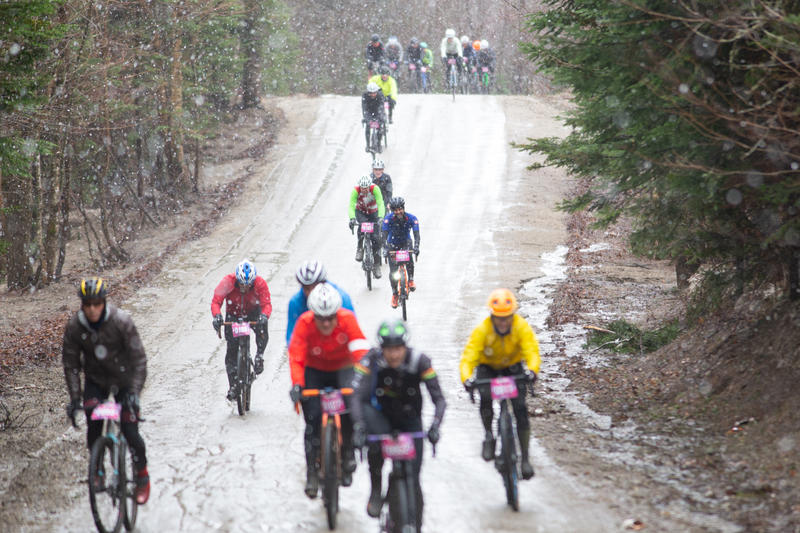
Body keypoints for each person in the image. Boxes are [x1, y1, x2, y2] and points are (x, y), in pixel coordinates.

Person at [63, 277, 151, 504]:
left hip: (124, 379)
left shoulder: (121, 321)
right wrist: (74, 398)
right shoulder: (75, 327)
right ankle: (98, 470)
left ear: (104, 302)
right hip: (96, 381)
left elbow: (139, 360)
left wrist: (134, 392)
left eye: (97, 303)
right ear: (82, 305)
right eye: (87, 304)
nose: (92, 309)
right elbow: (71, 365)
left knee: (131, 432)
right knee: (93, 427)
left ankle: (142, 477)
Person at [351, 319, 446, 523]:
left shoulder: (420, 361)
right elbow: (356, 396)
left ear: (405, 346)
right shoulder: (370, 361)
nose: (394, 354)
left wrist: (435, 425)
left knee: (414, 477)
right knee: (374, 447)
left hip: (410, 420)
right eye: (388, 349)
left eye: (398, 349)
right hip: (381, 418)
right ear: (381, 348)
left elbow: (439, 399)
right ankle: (376, 489)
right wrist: (359, 427)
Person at [288, 283, 370, 498]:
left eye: (330, 318)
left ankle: (348, 451)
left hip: (343, 368)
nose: (326, 323)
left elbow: (361, 350)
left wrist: (363, 379)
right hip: (314, 371)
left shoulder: (348, 320)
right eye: (320, 318)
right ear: (312, 315)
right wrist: (297, 385)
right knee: (312, 423)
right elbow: (296, 357)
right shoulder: (304, 324)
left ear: (337, 314)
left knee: (352, 409)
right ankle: (312, 473)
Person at [460, 289, 540, 480]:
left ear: (513, 316)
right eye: (499, 318)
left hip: (513, 368)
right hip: (488, 369)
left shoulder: (521, 327)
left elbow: (531, 350)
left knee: (520, 409)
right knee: (485, 400)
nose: (503, 322)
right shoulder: (482, 330)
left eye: (507, 318)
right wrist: (467, 378)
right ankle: (489, 435)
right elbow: (469, 357)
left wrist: (532, 370)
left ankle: (525, 458)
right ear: (492, 316)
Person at [211, 259, 272, 401]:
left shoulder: (260, 284)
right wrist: (217, 316)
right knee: (231, 351)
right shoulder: (227, 282)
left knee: (262, 328)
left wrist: (264, 316)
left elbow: (267, 304)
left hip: (253, 312)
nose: (244, 287)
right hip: (233, 314)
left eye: (248, 285)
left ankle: (259, 356)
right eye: (241, 284)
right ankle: (233, 386)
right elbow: (216, 301)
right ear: (237, 280)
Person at [286, 260, 355, 346]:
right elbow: (292, 339)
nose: (311, 292)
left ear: (324, 283)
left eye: (315, 286)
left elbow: (353, 335)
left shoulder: (342, 298)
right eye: (307, 288)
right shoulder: (295, 303)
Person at [382, 196, 420, 308]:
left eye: (400, 209)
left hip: (405, 243)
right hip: (392, 244)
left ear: (403, 208)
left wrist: (417, 247)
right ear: (392, 211)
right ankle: (394, 294)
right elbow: (383, 236)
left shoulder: (412, 218)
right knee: (393, 272)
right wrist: (385, 248)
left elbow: (416, 235)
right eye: (395, 210)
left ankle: (411, 279)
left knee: (409, 259)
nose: (398, 212)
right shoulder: (387, 219)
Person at [349, 175, 385, 278]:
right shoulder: (355, 191)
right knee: (362, 226)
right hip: (361, 212)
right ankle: (360, 248)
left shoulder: (375, 189)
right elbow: (351, 206)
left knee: (377, 239)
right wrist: (352, 218)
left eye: (366, 188)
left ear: (369, 186)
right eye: (362, 188)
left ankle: (376, 265)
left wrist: (381, 217)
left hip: (374, 212)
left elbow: (381, 204)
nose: (364, 190)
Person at [361, 81, 386, 152]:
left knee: (380, 127)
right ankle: (368, 145)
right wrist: (367, 119)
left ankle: (379, 144)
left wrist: (380, 117)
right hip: (369, 111)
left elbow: (381, 107)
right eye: (371, 93)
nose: (373, 95)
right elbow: (364, 108)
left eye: (374, 92)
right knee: (368, 126)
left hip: (378, 111)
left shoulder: (380, 95)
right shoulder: (364, 96)